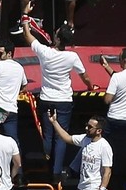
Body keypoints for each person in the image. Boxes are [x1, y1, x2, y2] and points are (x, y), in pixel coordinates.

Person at [23, 22, 92, 179]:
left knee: (48, 135)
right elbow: (85, 76)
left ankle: (46, 161)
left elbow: (27, 36)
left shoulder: (45, 52)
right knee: (61, 135)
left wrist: (25, 20)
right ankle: (56, 172)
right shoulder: (72, 57)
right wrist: (90, 87)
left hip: (46, 99)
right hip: (64, 101)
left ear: (58, 39)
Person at [0, 42, 27, 144]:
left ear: (9, 54)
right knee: (13, 141)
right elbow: (24, 86)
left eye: (0, 53)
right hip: (11, 109)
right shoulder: (20, 67)